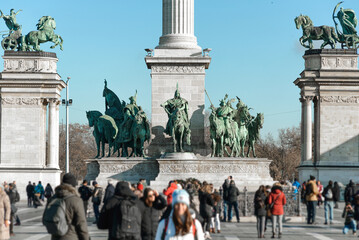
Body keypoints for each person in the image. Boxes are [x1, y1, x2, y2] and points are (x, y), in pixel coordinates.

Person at [45, 173, 90, 240]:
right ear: (73, 185)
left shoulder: (53, 198)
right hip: (71, 236)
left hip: (55, 236)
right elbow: (81, 223)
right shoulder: (76, 200)